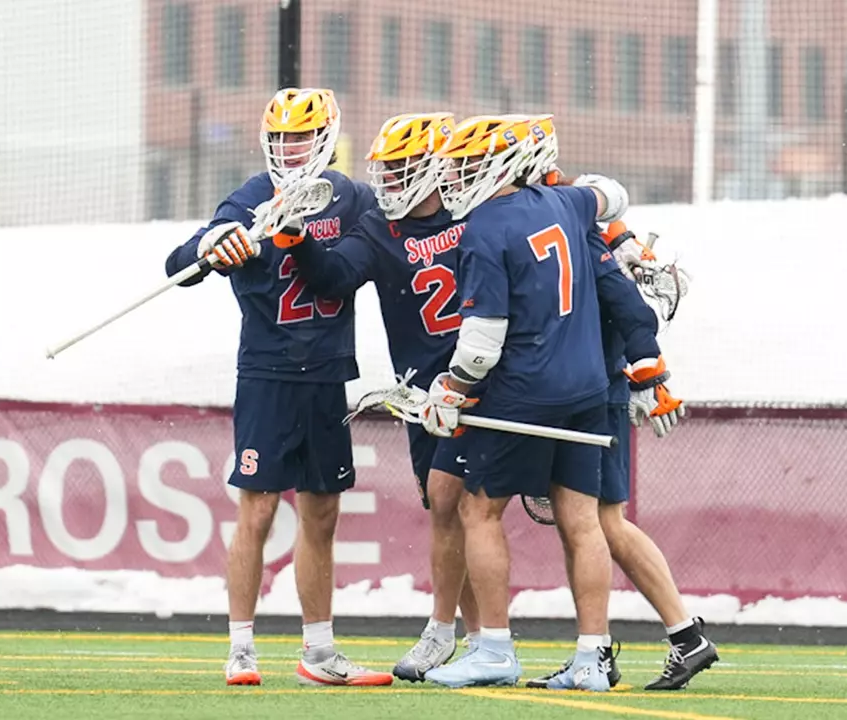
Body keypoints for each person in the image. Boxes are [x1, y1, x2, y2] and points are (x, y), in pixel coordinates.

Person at [163, 87, 391, 688]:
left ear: (325, 137)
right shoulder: (249, 197)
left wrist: (298, 237)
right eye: (281, 139)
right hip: (266, 372)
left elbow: (344, 276)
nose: (290, 150)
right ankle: (241, 648)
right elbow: (178, 265)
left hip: (326, 373)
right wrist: (211, 247)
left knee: (321, 515)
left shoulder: (353, 198)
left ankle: (319, 650)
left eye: (301, 138)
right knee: (257, 510)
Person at [417, 115, 634, 691]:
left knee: (478, 511)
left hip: (525, 391)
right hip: (587, 385)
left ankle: (493, 647)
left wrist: (452, 390)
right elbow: (614, 194)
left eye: (466, 165)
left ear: (498, 167)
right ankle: (591, 657)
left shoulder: (486, 227)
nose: (456, 175)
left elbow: (484, 342)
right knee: (582, 520)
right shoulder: (564, 201)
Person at [275, 112, 483, 681]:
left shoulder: (477, 213)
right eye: (386, 169)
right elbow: (335, 276)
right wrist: (298, 243)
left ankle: (455, 634)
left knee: (461, 504)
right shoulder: (377, 227)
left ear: (435, 166)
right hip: (421, 393)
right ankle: (480, 639)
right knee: (452, 512)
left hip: (481, 384)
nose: (390, 179)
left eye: (402, 167)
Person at [517, 115, 718, 691]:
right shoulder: (565, 210)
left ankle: (600, 652)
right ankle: (683, 635)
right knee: (603, 524)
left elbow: (625, 301)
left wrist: (646, 373)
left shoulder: (569, 220)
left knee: (594, 524)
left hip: (589, 388)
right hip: (593, 382)